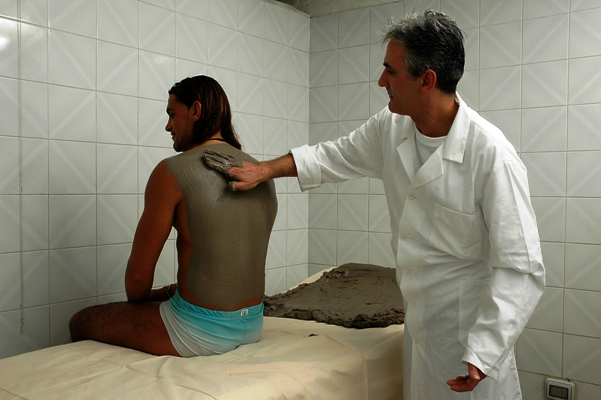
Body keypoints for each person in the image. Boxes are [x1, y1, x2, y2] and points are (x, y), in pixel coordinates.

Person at [207, 10, 544, 399]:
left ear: (426, 80)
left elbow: (521, 268)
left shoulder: (491, 156)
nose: (381, 81)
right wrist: (265, 170)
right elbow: (334, 155)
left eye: (391, 71)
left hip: (469, 338)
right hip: (418, 326)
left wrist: (484, 352)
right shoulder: (391, 126)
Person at [69, 75, 278, 357]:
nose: (168, 126)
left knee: (81, 320)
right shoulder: (261, 174)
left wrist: (143, 301)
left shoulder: (170, 172)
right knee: (169, 292)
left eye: (171, 114)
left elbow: (137, 280)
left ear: (195, 110)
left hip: (197, 332)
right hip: (253, 323)